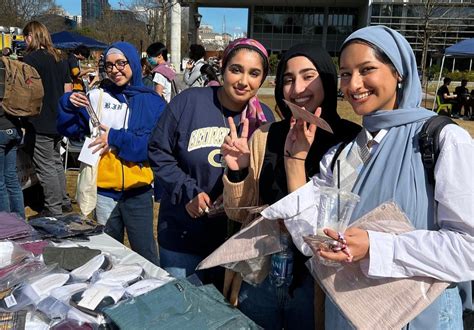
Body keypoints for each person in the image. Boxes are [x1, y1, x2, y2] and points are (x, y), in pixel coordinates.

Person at [283, 25, 472, 329]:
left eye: (366, 69)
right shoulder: (343, 155)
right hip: (349, 313)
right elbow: (314, 236)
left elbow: (468, 248)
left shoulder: (441, 140)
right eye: (345, 74)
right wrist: (295, 160)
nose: (354, 84)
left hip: (418, 314)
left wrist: (376, 246)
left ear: (399, 72)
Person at [221, 43, 361, 329]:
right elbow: (237, 213)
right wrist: (238, 172)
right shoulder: (265, 136)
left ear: (328, 79)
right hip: (260, 273)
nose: (297, 88)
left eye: (308, 76)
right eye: (288, 78)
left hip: (316, 283)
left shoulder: (350, 140)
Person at [148, 38, 275, 288]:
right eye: (236, 69)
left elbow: (267, 179)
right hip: (182, 236)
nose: (243, 81)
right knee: (182, 313)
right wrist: (188, 192)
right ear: (223, 68)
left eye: (254, 73)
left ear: (262, 79)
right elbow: (157, 150)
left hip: (235, 244)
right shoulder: (189, 102)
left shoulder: (264, 120)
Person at [57, 42, 166, 265]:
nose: (115, 70)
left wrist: (115, 138)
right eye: (109, 65)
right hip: (104, 192)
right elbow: (73, 131)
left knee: (145, 254)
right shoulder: (97, 96)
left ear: (133, 63)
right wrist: (67, 104)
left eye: (121, 63)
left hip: (139, 192)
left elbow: (151, 146)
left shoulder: (153, 102)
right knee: (108, 254)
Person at [22, 21, 72, 217]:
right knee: (55, 162)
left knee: (46, 167)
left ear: (30, 36)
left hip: (40, 120)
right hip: (59, 118)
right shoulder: (60, 57)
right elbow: (68, 90)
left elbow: (26, 92)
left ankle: (54, 208)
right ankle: (64, 202)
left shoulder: (31, 60)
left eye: (26, 38)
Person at [0, 55, 24, 218]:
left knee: (1, 182)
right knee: (12, 179)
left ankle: (7, 225)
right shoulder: (9, 67)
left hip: (1, 129)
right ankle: (20, 220)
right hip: (14, 127)